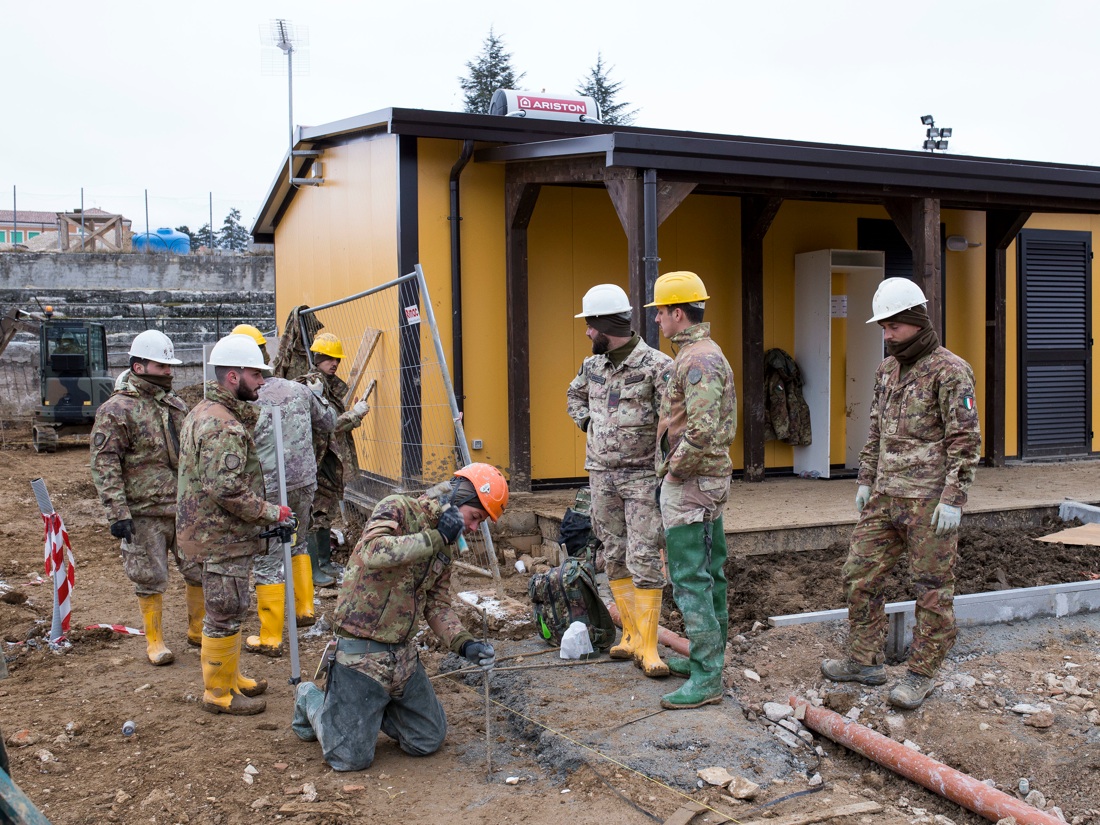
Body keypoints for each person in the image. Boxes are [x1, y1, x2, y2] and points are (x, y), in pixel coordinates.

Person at [821, 278, 981, 710]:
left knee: (931, 588)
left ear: (916, 321)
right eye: (883, 328)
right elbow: (875, 429)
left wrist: (954, 497)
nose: (888, 335)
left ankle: (921, 674)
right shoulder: (886, 370)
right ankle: (864, 661)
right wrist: (865, 478)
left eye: (893, 327)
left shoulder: (950, 371)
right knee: (859, 574)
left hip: (929, 503)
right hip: (885, 497)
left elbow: (965, 441)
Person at [292, 463, 508, 771]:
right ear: (458, 498)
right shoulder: (398, 508)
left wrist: (464, 644)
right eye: (475, 517)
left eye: (480, 522)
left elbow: (437, 605)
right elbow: (373, 551)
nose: (474, 528)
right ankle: (310, 699)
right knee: (348, 758)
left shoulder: (445, 546)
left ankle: (370, 710)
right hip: (361, 656)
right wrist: (435, 537)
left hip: (402, 659)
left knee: (427, 739)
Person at [176, 333, 294, 715]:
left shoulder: (205, 411)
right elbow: (225, 488)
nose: (261, 382)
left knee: (232, 605)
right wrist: (270, 512)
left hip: (214, 533)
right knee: (225, 610)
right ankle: (218, 692)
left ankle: (231, 676)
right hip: (219, 537)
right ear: (233, 377)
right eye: (256, 375)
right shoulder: (222, 425)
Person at [566, 283, 672, 677]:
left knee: (644, 555)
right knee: (612, 552)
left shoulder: (656, 366)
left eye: (591, 325)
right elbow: (574, 396)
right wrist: (588, 423)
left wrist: (664, 463)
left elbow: (672, 419)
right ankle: (629, 635)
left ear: (608, 325)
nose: (587, 332)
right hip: (601, 475)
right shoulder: (592, 366)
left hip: (642, 477)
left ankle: (649, 646)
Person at [647, 271, 737, 710]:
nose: (657, 319)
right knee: (709, 571)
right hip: (703, 480)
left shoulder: (697, 360)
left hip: (693, 483)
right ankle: (707, 660)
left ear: (678, 313)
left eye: (661, 312)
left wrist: (672, 473)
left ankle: (707, 675)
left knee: (690, 578)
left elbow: (700, 430)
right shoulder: (699, 354)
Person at [90, 330, 200, 666]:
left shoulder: (175, 404)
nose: (169, 371)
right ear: (139, 367)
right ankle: (155, 642)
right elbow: (105, 462)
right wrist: (117, 512)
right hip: (143, 512)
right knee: (149, 577)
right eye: (161, 366)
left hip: (183, 507)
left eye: (169, 366)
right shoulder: (116, 410)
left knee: (199, 568)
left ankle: (198, 630)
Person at [229, 324, 337, 655]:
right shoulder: (297, 389)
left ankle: (271, 636)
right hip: (304, 481)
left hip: (268, 487)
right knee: (298, 541)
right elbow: (329, 422)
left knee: (268, 555)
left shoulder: (240, 399)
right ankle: (304, 610)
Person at [299, 332, 370, 587]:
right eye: (329, 358)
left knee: (326, 512)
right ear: (317, 358)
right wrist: (354, 415)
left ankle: (324, 563)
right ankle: (313, 569)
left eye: (337, 359)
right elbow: (327, 425)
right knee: (316, 513)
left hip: (329, 458)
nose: (335, 363)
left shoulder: (327, 386)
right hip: (318, 459)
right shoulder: (313, 386)